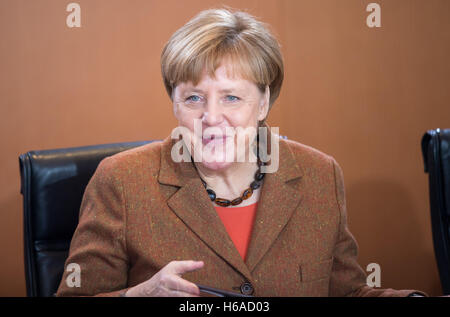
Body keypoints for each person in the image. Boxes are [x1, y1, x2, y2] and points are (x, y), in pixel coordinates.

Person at [56, 8, 426, 297]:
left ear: (263, 101)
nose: (211, 117)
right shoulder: (121, 181)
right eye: (194, 98)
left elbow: (345, 292)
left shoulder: (319, 174)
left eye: (231, 97)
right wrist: (138, 294)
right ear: (174, 103)